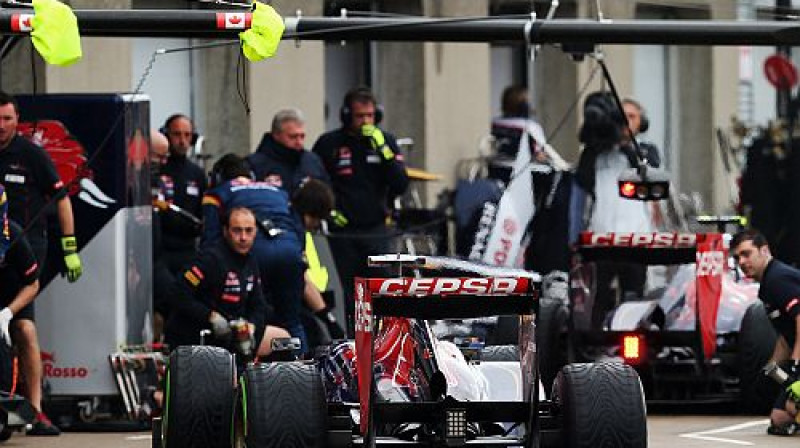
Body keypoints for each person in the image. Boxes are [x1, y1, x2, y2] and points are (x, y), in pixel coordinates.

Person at [0, 91, 82, 436]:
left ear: (17, 120)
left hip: (24, 253)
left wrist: (69, 246)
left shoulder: (31, 154)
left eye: (6, 118)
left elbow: (61, 199)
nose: (1, 125)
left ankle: (35, 411)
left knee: (23, 327)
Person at [311, 86, 409, 332]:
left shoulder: (385, 141)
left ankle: (388, 338)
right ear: (346, 116)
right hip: (343, 232)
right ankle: (358, 341)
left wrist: (384, 151)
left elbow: (400, 184)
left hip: (377, 229)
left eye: (370, 116)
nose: (366, 121)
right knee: (351, 290)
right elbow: (315, 181)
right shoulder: (329, 143)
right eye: (360, 116)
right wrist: (328, 210)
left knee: (382, 287)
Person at [201, 154, 308, 353]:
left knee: (245, 320)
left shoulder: (216, 193)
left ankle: (246, 372)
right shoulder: (278, 191)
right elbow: (298, 229)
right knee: (293, 320)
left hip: (254, 254)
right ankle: (303, 371)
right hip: (290, 252)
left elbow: (211, 238)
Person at [575, 91, 659, 330]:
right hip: (602, 238)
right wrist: (596, 140)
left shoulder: (646, 150)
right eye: (621, 116)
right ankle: (596, 343)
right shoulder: (597, 152)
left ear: (641, 122)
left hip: (636, 238)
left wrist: (625, 144)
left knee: (633, 296)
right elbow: (582, 180)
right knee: (598, 295)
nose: (625, 121)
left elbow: (650, 170)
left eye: (631, 117)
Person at [164, 206, 289, 357]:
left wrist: (252, 326)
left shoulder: (251, 261)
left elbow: (259, 305)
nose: (243, 237)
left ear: (256, 232)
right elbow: (177, 293)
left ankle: (263, 379)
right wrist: (210, 316)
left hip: (236, 333)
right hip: (201, 334)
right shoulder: (209, 260)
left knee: (284, 341)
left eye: (249, 230)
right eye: (237, 230)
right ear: (225, 231)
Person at [731, 229, 800, 435]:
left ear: (764, 251)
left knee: (792, 405)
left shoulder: (778, 279)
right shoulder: (767, 286)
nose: (742, 262)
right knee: (780, 420)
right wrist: (770, 368)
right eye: (737, 257)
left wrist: (796, 368)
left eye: (747, 254)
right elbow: (786, 336)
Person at [158, 114, 206, 284]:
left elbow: (202, 214)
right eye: (177, 134)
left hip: (187, 249)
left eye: (187, 135)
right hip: (160, 250)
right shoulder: (156, 169)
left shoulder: (197, 174)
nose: (182, 140)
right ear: (166, 136)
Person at [247, 108, 329, 196]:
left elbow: (326, 195)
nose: (299, 142)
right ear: (276, 135)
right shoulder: (255, 164)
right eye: (293, 137)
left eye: (302, 136)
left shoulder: (312, 162)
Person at [149, 130, 170, 343]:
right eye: (159, 157)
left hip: (158, 255)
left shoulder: (158, 182)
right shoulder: (132, 178)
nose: (163, 163)